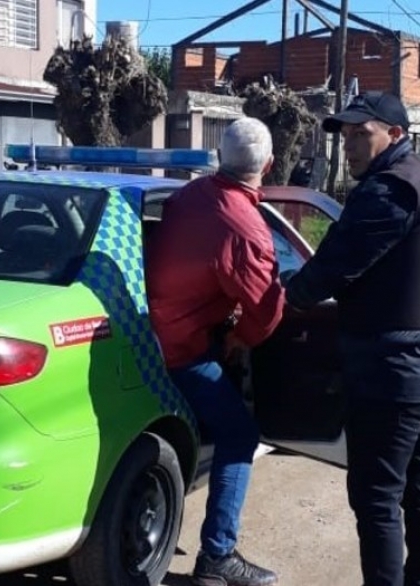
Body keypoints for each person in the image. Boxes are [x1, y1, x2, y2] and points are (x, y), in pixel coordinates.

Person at [283, 91, 420, 586]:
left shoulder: (386, 190)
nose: (349, 145)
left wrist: (287, 297)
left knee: (377, 499)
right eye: (345, 135)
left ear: (396, 134)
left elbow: (329, 270)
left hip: (393, 378)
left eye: (360, 134)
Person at [145, 117, 284, 586]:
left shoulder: (187, 196)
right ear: (268, 164)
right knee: (240, 434)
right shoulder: (246, 227)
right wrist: (240, 336)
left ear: (220, 157)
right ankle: (217, 556)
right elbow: (266, 312)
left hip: (146, 336)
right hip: (183, 348)